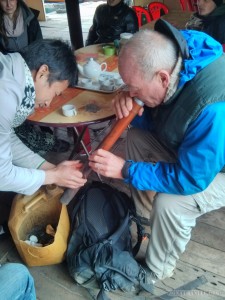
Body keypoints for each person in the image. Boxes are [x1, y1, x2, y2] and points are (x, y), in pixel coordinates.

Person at [88, 19, 225, 292]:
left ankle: (156, 268)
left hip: (215, 170)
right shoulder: (173, 54)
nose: (131, 93)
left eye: (134, 88)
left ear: (163, 77)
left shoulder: (212, 109)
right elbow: (162, 120)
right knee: (137, 138)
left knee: (171, 203)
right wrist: (128, 103)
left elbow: (191, 179)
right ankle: (145, 223)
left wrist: (126, 170)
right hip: (193, 150)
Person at [0, 0, 70, 155]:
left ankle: (46, 139)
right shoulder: (6, 95)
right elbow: (3, 171)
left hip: (28, 66)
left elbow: (40, 46)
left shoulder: (30, 18)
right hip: (19, 69)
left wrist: (50, 172)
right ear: (42, 72)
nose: (8, 4)